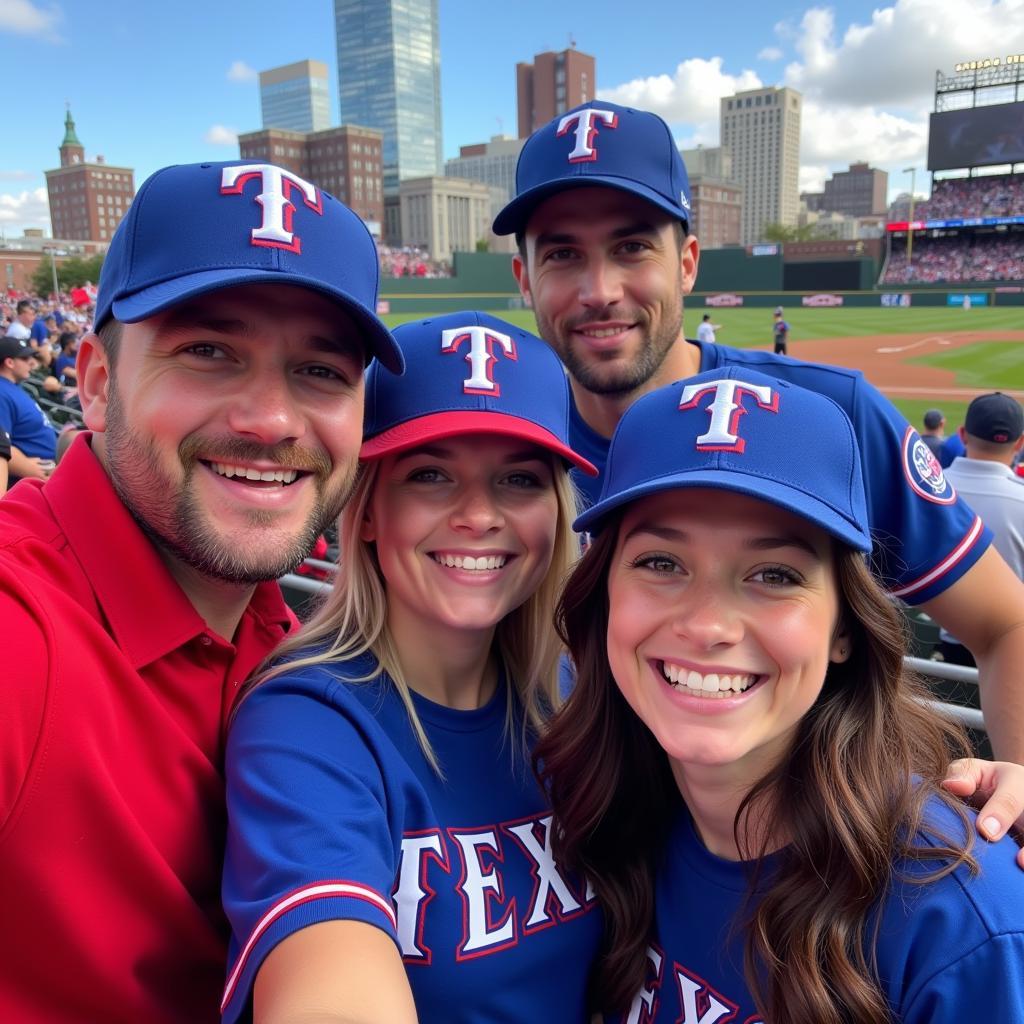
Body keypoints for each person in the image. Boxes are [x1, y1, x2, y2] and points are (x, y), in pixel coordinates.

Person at [494, 98, 1024, 764]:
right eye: (563, 254)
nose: (599, 289)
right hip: (582, 840)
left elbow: (1007, 622)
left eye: (632, 247)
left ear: (686, 262)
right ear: (524, 278)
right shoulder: (499, 439)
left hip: (805, 845)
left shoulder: (829, 414)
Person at [0, 160, 403, 1023]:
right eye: (209, 353)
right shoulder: (20, 630)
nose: (271, 420)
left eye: (322, 372)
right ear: (97, 383)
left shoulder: (278, 627)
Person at [536, 368, 1024, 1023]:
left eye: (775, 574)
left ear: (843, 629)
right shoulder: (604, 808)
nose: (707, 625)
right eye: (660, 563)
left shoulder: (960, 921)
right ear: (605, 598)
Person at [222, 312, 601, 1023]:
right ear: (368, 512)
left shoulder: (575, 697)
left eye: (519, 480)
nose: (478, 516)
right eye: (430, 476)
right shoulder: (307, 723)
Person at [937, 393, 1024, 667]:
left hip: (948, 644)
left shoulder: (925, 492)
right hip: (1014, 651)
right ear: (1020, 443)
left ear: (962, 435)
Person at [0, 334, 57, 483]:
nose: (31, 363)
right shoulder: (1, 391)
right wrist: (27, 468)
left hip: (50, 468)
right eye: (25, 359)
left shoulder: (14, 387)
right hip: (32, 482)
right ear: (9, 362)